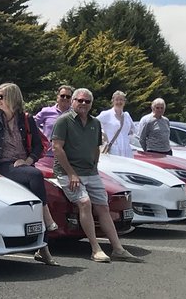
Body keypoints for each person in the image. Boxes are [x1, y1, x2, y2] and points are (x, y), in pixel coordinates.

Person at [51, 88, 141, 263]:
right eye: (80, 100)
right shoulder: (64, 121)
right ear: (73, 101)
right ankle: (95, 248)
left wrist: (94, 165)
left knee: (103, 207)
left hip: (91, 172)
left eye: (87, 101)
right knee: (84, 203)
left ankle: (118, 249)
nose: (83, 104)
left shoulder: (95, 123)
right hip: (69, 173)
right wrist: (71, 174)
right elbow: (57, 148)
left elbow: (95, 148)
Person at [0, 83, 58, 265]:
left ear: (12, 98)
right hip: (4, 165)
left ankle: (43, 247)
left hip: (22, 165)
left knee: (34, 196)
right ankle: (48, 218)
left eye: (1, 96)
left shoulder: (26, 119)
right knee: (36, 175)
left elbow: (38, 145)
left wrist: (27, 161)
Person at [96, 91, 135, 156]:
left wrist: (125, 135)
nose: (119, 102)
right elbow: (93, 123)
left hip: (126, 150)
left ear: (124, 102)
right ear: (113, 101)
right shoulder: (106, 114)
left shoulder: (126, 115)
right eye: (117, 100)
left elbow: (133, 130)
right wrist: (102, 134)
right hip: (112, 150)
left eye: (121, 100)